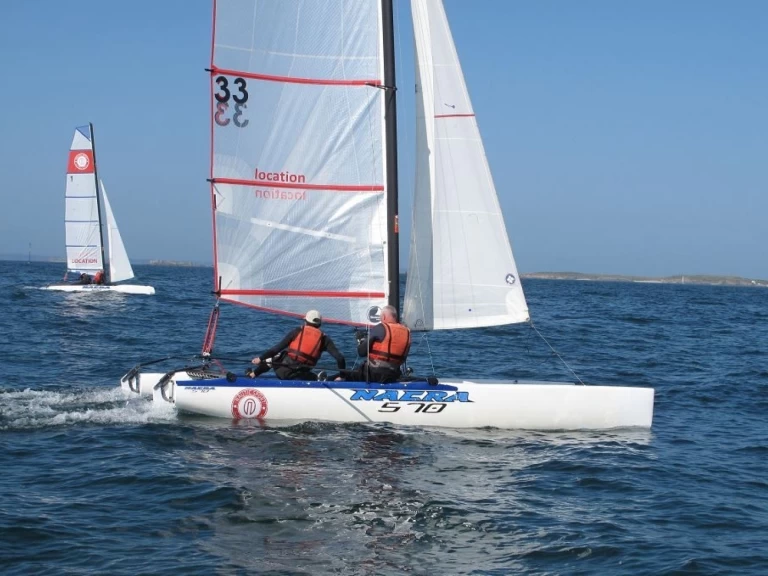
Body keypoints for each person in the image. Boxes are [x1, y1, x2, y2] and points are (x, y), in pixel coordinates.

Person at [246, 310, 345, 381]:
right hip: (303, 373)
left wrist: (260, 358)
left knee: (273, 358)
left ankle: (252, 375)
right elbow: (340, 358)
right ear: (319, 324)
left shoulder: (297, 331)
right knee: (312, 376)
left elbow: (276, 349)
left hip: (284, 372)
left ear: (305, 321)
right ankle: (326, 379)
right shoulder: (324, 339)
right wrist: (342, 375)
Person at [336, 305, 411, 384]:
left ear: (384, 317)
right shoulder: (407, 332)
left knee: (339, 376)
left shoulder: (381, 327)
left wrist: (361, 341)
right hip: (394, 374)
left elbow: (361, 352)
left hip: (374, 373)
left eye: (380, 318)